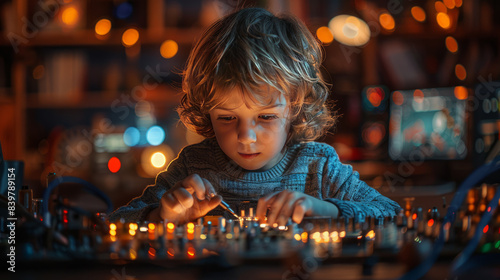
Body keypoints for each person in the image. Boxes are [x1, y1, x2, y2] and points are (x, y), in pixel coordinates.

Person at [109, 7, 401, 225]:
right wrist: (162, 214)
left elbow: (392, 213)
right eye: (226, 118)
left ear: (295, 105)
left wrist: (327, 209)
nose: (246, 137)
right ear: (206, 110)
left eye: (266, 117)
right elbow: (117, 221)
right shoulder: (193, 167)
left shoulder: (319, 167)